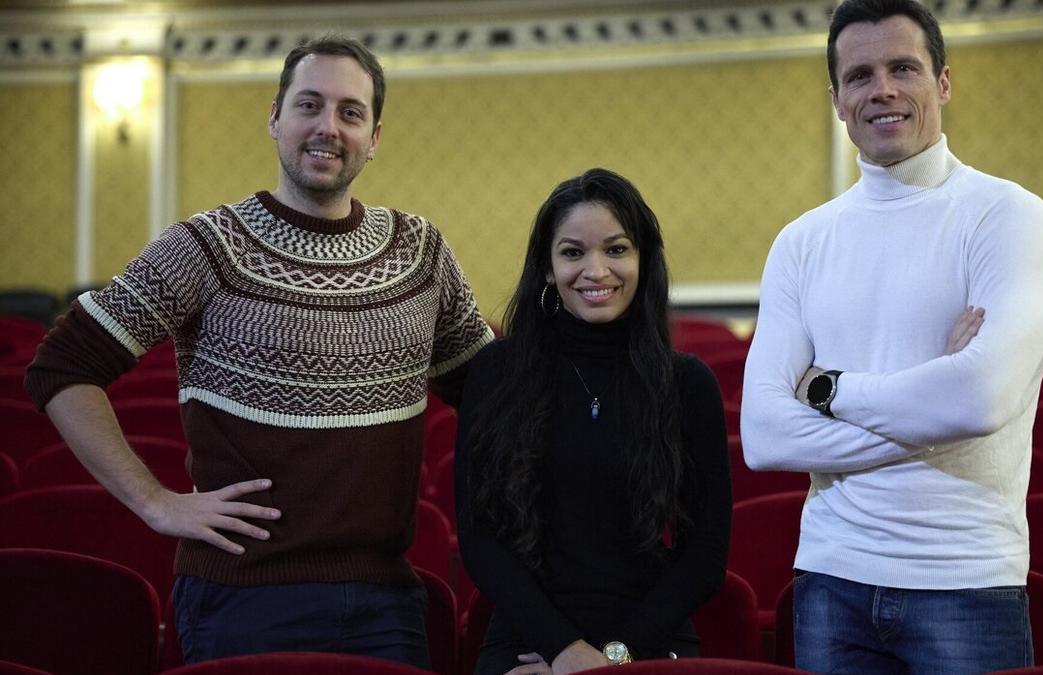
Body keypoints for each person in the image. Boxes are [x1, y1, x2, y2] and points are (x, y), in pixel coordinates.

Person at [24, 35, 493, 666]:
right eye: (309, 105)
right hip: (238, 601)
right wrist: (155, 502)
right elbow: (62, 366)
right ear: (274, 118)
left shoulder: (420, 252)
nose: (327, 127)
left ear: (374, 138)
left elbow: (496, 393)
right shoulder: (206, 245)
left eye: (350, 113)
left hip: (385, 604)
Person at [740, 0, 1043, 670]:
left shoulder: (1008, 215)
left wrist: (828, 389)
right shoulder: (800, 242)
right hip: (831, 576)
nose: (881, 89)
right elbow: (766, 437)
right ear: (836, 99)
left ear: (943, 82)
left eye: (902, 67)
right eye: (859, 75)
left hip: (966, 576)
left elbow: (977, 401)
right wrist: (930, 396)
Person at [455, 168, 732, 674]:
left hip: (649, 639)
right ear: (547, 267)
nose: (596, 270)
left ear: (644, 261)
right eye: (573, 252)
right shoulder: (497, 372)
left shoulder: (687, 384)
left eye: (617, 249)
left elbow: (705, 556)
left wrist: (613, 658)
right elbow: (481, 541)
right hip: (528, 639)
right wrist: (564, 652)